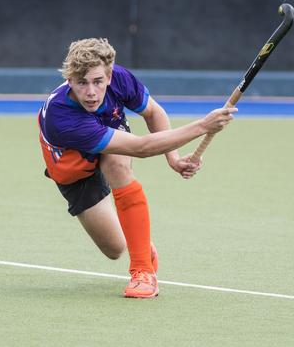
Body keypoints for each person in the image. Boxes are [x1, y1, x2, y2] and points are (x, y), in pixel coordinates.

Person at [38, 38, 236, 298]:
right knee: (115, 248)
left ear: (109, 76)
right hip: (73, 168)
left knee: (117, 161)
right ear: (70, 80)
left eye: (98, 81)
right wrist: (202, 126)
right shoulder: (62, 116)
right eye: (81, 83)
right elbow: (141, 147)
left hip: (109, 138)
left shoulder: (119, 79)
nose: (91, 93)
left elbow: (153, 113)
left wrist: (173, 159)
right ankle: (141, 243)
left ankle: (143, 272)